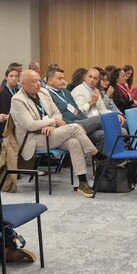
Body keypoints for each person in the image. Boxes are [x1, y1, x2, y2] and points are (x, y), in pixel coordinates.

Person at [10, 70, 98, 198]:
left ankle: (83, 183)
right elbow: (30, 125)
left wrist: (51, 125)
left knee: (74, 142)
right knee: (75, 127)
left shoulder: (43, 93)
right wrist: (53, 121)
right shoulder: (17, 100)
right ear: (23, 84)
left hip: (51, 133)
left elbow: (57, 113)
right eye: (34, 81)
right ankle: (97, 154)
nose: (38, 84)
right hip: (33, 138)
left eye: (39, 80)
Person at [44, 67, 105, 151]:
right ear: (50, 80)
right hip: (68, 125)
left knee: (102, 134)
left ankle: (103, 160)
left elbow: (77, 110)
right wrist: (75, 124)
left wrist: (86, 121)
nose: (63, 81)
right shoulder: (46, 94)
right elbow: (54, 115)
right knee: (100, 119)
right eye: (60, 79)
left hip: (80, 122)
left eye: (63, 78)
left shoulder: (65, 92)